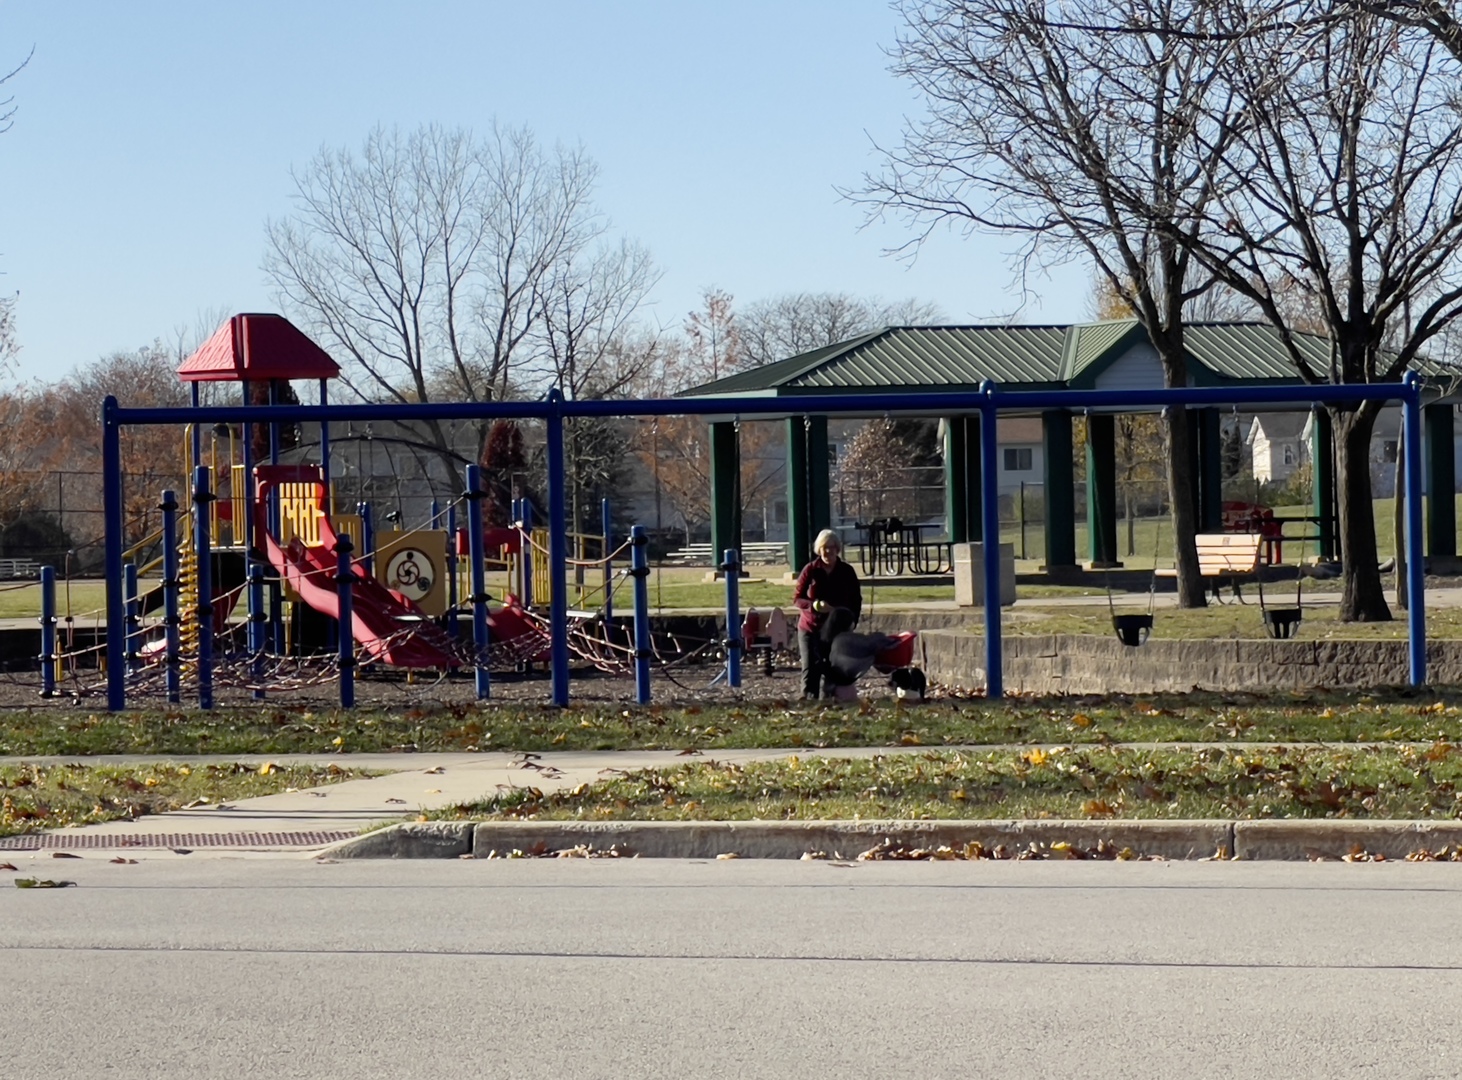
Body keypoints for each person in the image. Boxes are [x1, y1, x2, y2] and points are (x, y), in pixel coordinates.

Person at [792, 528, 862, 699]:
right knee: (810, 669)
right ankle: (808, 702)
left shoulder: (846, 571)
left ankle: (831, 701)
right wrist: (814, 605)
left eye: (832, 547)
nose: (828, 551)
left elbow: (856, 600)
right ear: (819, 549)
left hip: (837, 629)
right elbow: (797, 598)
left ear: (837, 549)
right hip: (811, 628)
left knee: (833, 669)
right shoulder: (810, 570)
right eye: (824, 547)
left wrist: (853, 620)